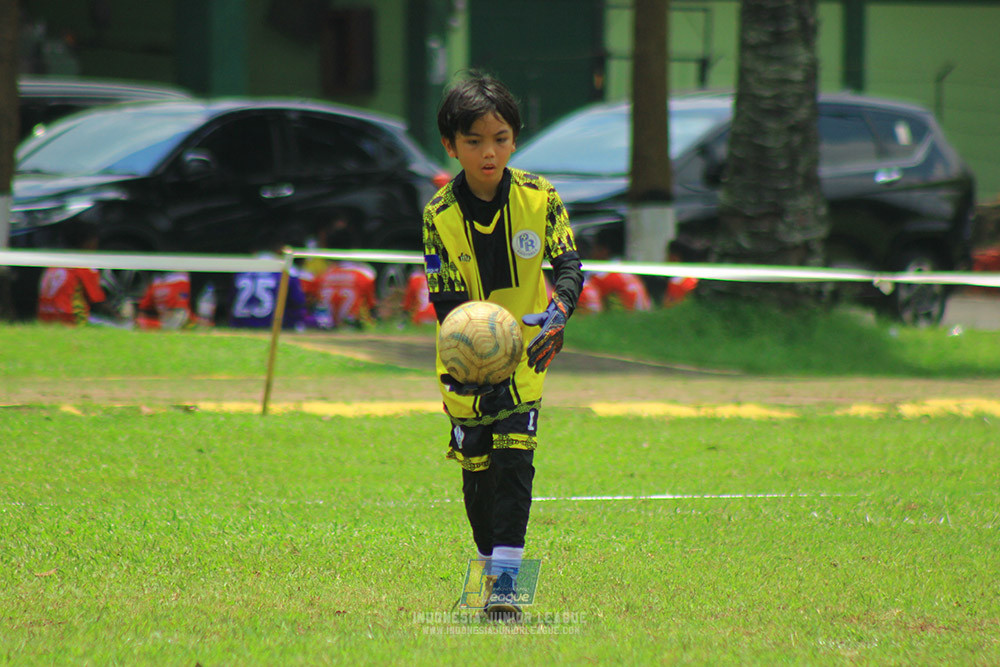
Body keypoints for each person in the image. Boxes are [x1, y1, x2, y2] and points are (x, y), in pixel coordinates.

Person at [423, 71, 583, 620]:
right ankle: (489, 569)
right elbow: (444, 300)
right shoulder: (437, 216)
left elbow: (567, 264)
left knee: (516, 462)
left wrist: (559, 312)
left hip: (528, 356)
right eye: (474, 141)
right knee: (479, 470)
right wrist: (473, 359)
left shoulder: (541, 198)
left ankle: (507, 590)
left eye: (501, 139)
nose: (489, 153)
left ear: (514, 139)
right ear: (451, 146)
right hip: (464, 361)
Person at [228, 233, 311, 331]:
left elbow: (231, 300)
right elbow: (297, 303)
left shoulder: (241, 270)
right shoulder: (286, 270)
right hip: (272, 327)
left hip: (240, 327)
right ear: (280, 249)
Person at [36, 221, 108, 326]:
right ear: (89, 242)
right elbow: (98, 301)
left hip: (45, 318)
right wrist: (120, 316)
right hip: (69, 319)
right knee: (121, 327)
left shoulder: (53, 265)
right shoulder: (84, 266)